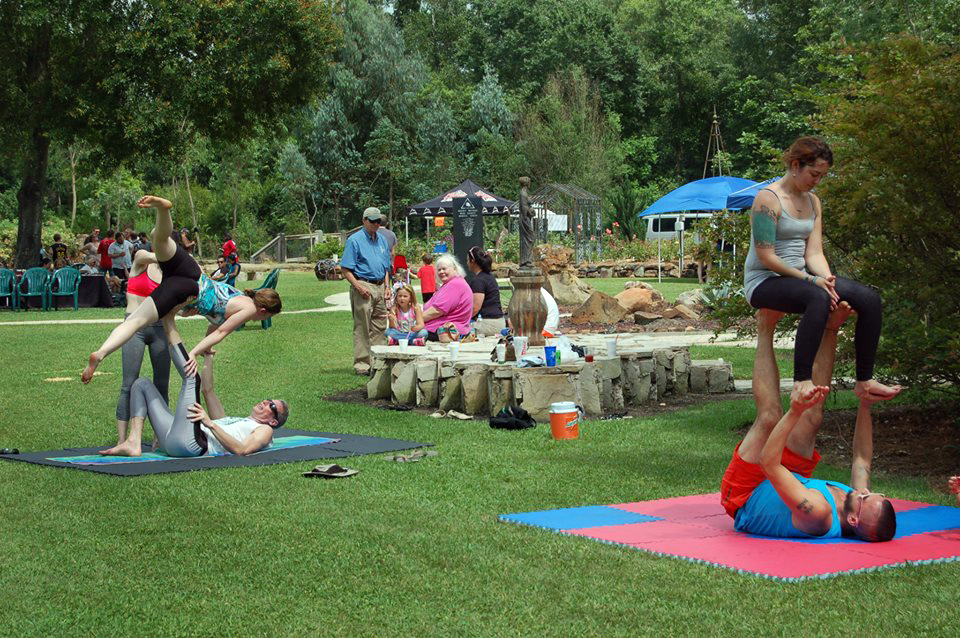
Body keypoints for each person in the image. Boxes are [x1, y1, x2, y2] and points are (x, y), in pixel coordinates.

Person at [743, 135, 901, 405]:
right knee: (817, 296)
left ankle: (864, 381)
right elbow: (766, 256)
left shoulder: (813, 202)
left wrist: (827, 280)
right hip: (764, 281)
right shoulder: (767, 199)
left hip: (802, 279)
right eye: (814, 174)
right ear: (796, 165)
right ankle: (801, 382)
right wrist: (811, 280)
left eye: (822, 176)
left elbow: (814, 253)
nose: (817, 181)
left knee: (869, 299)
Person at [720, 304, 897, 541]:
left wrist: (795, 411)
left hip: (746, 493)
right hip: (788, 477)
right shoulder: (855, 500)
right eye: (874, 493)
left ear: (854, 520)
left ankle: (765, 325)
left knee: (770, 418)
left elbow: (768, 463)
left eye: (865, 498)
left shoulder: (818, 514)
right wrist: (865, 405)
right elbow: (861, 459)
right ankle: (831, 327)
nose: (864, 491)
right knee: (813, 417)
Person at [99, 335, 287, 457]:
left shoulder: (265, 430)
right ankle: (134, 441)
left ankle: (169, 322)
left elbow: (242, 450)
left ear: (273, 421)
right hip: (173, 437)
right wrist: (208, 358)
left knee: (190, 378)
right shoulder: (232, 421)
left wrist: (210, 423)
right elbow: (208, 390)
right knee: (141, 384)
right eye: (268, 400)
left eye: (271, 406)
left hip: (192, 444)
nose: (265, 402)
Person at [82, 196, 203, 383]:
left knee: (134, 322)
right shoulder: (145, 256)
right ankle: (100, 353)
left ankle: (163, 208)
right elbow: (169, 304)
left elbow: (161, 242)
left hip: (175, 290)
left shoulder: (167, 256)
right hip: (181, 287)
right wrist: (183, 311)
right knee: (135, 322)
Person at [108, 248, 171, 452]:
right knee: (128, 383)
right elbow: (146, 256)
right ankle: (121, 440)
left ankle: (160, 438)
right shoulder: (142, 258)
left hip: (160, 328)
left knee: (162, 385)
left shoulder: (170, 272)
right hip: (134, 326)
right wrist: (171, 257)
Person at [180, 275, 281, 364]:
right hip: (191, 292)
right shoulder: (250, 309)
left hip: (194, 282)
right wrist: (193, 353)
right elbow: (220, 332)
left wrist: (207, 348)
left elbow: (215, 325)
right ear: (263, 311)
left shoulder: (243, 297)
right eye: (268, 317)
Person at [340, 206, 392, 375]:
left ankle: (378, 361)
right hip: (363, 284)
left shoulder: (382, 240)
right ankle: (362, 364)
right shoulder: (354, 240)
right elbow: (345, 269)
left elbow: (386, 267)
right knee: (363, 326)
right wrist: (358, 286)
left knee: (380, 326)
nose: (376, 224)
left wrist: (387, 286)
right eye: (373, 221)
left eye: (378, 221)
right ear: (364, 220)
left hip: (380, 286)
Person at [422, 254, 473, 342]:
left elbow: (437, 311)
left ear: (454, 268)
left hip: (445, 330)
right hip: (439, 327)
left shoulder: (454, 285)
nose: (441, 272)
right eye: (439, 270)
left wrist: (416, 319)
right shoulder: (450, 283)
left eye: (444, 269)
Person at [466, 246, 506, 337]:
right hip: (499, 322)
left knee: (453, 330)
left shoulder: (479, 281)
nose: (467, 263)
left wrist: (462, 319)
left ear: (473, 261)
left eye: (468, 260)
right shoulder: (489, 277)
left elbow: (475, 308)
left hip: (487, 324)